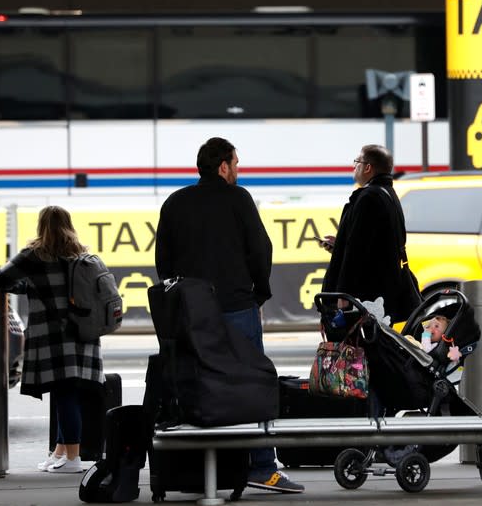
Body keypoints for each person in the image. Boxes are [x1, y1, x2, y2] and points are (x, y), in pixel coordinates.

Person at [154, 137, 303, 493]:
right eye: (236, 164)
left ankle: (198, 470)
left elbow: (164, 262)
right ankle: (262, 467)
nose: (238, 170)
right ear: (223, 166)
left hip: (192, 314)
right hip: (236, 308)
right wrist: (259, 292)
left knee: (197, 383)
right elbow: (260, 249)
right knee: (253, 383)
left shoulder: (175, 202)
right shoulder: (238, 199)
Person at [0, 206, 104, 474]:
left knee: (64, 394)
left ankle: (73, 458)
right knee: (66, 392)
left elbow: (0, 279)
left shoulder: (34, 256)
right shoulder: (83, 255)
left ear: (42, 226)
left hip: (53, 337)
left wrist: (25, 284)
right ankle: (60, 452)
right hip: (84, 335)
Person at [320, 144, 411, 322]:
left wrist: (344, 295)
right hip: (381, 294)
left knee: (358, 348)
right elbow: (372, 245)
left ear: (368, 167)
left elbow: (357, 252)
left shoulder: (369, 198)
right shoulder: (389, 194)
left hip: (364, 300)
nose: (354, 166)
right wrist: (339, 245)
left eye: (357, 162)